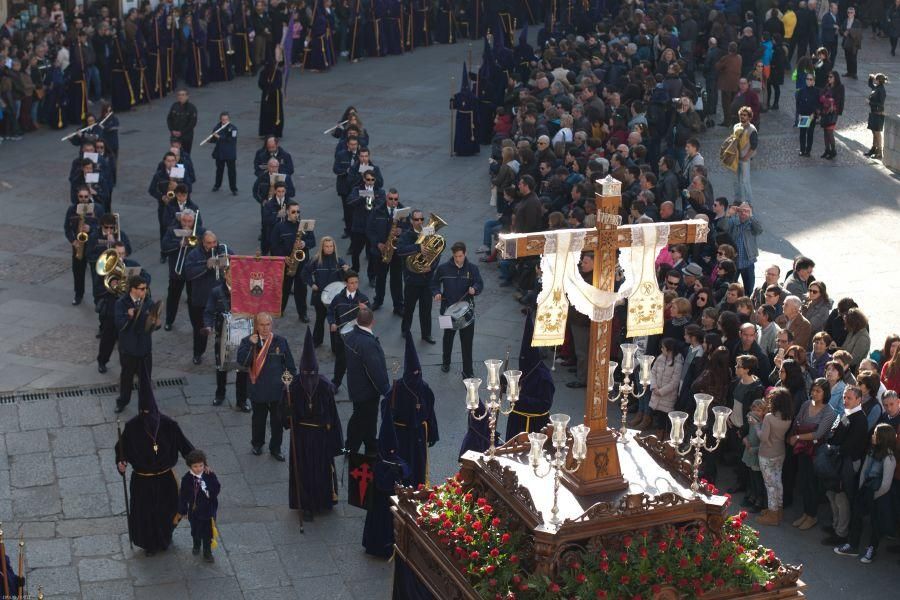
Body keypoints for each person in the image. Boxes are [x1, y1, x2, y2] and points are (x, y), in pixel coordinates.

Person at [115, 366, 195, 556]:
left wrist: (196, 461)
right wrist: (121, 461)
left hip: (165, 478)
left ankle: (165, 538)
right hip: (142, 480)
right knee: (145, 515)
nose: (147, 415)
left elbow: (185, 446)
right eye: (144, 412)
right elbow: (121, 449)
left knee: (167, 511)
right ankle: (150, 544)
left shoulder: (168, 425)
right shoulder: (132, 426)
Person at [283, 328, 343, 520]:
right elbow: (284, 412)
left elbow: (332, 415)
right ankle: (309, 504)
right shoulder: (294, 387)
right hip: (306, 436)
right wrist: (288, 410)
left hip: (314, 436)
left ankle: (320, 501)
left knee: (315, 470)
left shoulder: (321, 386)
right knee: (309, 470)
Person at [379, 332, 439, 487]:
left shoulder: (423, 388)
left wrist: (431, 432)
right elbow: (387, 414)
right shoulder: (396, 389)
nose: (416, 376)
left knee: (418, 465)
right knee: (405, 466)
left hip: (417, 434)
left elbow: (430, 412)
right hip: (401, 436)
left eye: (418, 373)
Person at [834, 423, 897, 563]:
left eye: (876, 434)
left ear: (883, 438)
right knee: (856, 516)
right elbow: (864, 470)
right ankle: (852, 545)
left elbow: (886, 484)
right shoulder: (872, 451)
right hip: (866, 489)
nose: (873, 436)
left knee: (876, 523)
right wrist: (862, 488)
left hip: (878, 494)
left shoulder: (889, 458)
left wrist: (873, 497)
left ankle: (872, 549)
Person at [237, 312, 296, 460]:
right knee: (258, 419)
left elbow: (290, 366)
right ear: (256, 326)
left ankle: (275, 448)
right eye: (261, 325)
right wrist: (251, 344)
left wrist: (289, 383)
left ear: (272, 325)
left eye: (267, 324)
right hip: (258, 390)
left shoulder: (280, 341)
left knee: (277, 422)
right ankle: (257, 444)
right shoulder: (247, 342)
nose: (265, 328)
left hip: (277, 391)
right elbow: (243, 363)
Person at [822, 385, 871, 547]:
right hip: (837, 461)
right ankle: (836, 525)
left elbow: (850, 445)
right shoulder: (846, 413)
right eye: (844, 397)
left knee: (841, 498)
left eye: (849, 398)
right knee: (831, 493)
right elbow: (834, 435)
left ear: (859, 399)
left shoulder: (860, 419)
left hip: (847, 463)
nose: (845, 400)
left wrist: (835, 449)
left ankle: (841, 533)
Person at [789, 378, 837, 530]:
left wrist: (798, 437)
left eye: (818, 391)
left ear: (825, 393)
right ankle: (806, 513)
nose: (814, 393)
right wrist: (801, 434)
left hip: (816, 452)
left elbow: (819, 433)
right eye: (813, 390)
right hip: (802, 449)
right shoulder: (805, 404)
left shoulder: (829, 411)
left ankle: (812, 516)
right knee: (803, 482)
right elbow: (798, 422)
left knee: (812, 484)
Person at [344, 307, 391, 455]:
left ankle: (366, 446)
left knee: (362, 418)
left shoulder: (351, 336)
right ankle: (355, 449)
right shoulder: (368, 344)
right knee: (365, 420)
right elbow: (375, 371)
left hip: (355, 386)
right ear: (373, 322)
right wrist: (386, 390)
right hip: (367, 391)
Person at [432, 242, 483, 377]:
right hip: (446, 311)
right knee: (447, 338)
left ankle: (468, 371)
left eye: (460, 256)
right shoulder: (443, 269)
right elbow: (435, 282)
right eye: (455, 256)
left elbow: (479, 283)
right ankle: (446, 362)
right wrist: (436, 292)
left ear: (465, 254)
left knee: (467, 342)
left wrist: (475, 289)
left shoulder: (472, 269)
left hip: (467, 311)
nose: (458, 259)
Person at [114, 275, 161, 413]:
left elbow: (153, 322)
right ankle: (122, 401)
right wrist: (128, 316)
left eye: (146, 288)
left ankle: (145, 405)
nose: (144, 291)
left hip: (144, 348)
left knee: (145, 380)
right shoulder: (121, 303)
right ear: (133, 289)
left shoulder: (148, 302)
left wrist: (157, 324)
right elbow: (119, 325)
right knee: (126, 378)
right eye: (141, 289)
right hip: (128, 349)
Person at [505, 312, 555, 440]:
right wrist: (506, 382)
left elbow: (545, 404)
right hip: (517, 421)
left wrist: (519, 398)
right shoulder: (528, 370)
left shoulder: (544, 378)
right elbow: (521, 384)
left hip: (533, 425)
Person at [184, 232, 232, 365]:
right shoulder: (194, 255)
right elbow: (187, 274)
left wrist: (229, 261)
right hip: (201, 298)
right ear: (203, 243)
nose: (212, 246)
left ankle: (222, 355)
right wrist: (206, 266)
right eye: (209, 243)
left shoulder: (224, 250)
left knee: (223, 328)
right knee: (200, 329)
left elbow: (237, 263)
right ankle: (198, 353)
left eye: (214, 242)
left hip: (220, 298)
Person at [204, 273, 250, 410]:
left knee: (242, 368)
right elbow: (209, 311)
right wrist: (208, 325)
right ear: (226, 275)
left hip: (242, 335)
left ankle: (241, 401)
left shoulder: (245, 290)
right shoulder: (216, 292)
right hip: (223, 333)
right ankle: (220, 394)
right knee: (222, 367)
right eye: (231, 274)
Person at [397, 210, 440, 343]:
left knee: (426, 309)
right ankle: (405, 330)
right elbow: (400, 251)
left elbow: (437, 252)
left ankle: (426, 334)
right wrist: (418, 248)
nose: (420, 222)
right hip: (412, 279)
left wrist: (431, 267)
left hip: (427, 279)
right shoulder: (406, 235)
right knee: (409, 307)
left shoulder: (429, 232)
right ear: (411, 221)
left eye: (421, 219)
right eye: (416, 220)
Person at [270, 202, 316, 322]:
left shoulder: (305, 225)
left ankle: (302, 314)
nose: (297, 214)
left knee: (301, 289)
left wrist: (304, 243)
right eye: (293, 212)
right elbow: (274, 246)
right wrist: (283, 257)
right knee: (284, 288)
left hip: (302, 262)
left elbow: (313, 241)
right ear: (287, 213)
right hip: (287, 262)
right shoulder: (279, 227)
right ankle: (280, 309)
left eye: (298, 211)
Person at [755, 387, 794, 526]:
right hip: (780, 451)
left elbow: (763, 437)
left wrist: (756, 426)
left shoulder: (769, 417)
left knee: (770, 484)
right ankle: (778, 510)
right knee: (778, 481)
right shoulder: (788, 416)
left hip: (767, 453)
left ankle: (773, 514)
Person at [175, 449, 221, 563]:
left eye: (201, 465)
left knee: (208, 532)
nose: (198, 468)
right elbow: (183, 496)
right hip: (194, 511)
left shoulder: (209, 475)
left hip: (208, 511)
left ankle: (207, 551)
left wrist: (207, 490)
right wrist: (183, 510)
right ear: (190, 466)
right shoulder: (186, 479)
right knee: (195, 530)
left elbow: (216, 487)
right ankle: (196, 544)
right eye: (195, 466)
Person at [366, 188, 407, 314]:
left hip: (396, 252)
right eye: (391, 199)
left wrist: (402, 231)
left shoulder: (403, 212)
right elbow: (369, 229)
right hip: (381, 251)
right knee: (380, 278)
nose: (393, 201)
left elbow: (410, 230)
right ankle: (378, 300)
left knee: (397, 280)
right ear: (386, 198)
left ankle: (398, 306)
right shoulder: (377, 211)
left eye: (396, 199)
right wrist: (377, 243)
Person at [328, 270, 371, 389]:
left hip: (358, 335)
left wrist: (366, 309)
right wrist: (332, 323)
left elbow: (370, 316)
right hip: (342, 336)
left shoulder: (363, 298)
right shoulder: (338, 298)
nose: (354, 285)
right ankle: (336, 383)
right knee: (341, 361)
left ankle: (359, 385)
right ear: (345, 283)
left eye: (356, 282)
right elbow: (330, 312)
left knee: (358, 362)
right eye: (351, 283)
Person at [731, 106, 758, 203]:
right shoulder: (736, 126)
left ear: (749, 117)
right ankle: (737, 200)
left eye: (744, 115)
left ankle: (748, 202)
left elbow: (754, 146)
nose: (742, 117)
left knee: (745, 182)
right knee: (736, 181)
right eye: (741, 115)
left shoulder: (752, 130)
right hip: (736, 158)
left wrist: (747, 157)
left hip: (745, 160)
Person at [258, 46, 285, 138]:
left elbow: (278, 84)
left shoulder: (277, 73)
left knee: (275, 114)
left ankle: (276, 131)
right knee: (266, 114)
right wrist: (267, 86)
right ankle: (267, 131)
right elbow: (260, 84)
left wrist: (271, 86)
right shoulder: (263, 73)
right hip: (267, 95)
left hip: (275, 96)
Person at [210, 111, 238, 195]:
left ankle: (233, 188)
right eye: (223, 120)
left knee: (231, 172)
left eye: (226, 119)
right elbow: (214, 139)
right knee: (219, 170)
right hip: (220, 153)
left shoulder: (233, 128)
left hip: (230, 153)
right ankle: (217, 185)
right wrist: (210, 140)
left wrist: (219, 137)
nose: (224, 121)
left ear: (229, 119)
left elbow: (231, 140)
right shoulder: (217, 127)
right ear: (220, 120)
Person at [864, 74, 887, 159]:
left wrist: (869, 103)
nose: (874, 81)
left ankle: (879, 152)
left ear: (878, 81)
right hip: (873, 112)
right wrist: (870, 77)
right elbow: (870, 85)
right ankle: (874, 148)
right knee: (874, 132)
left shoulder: (881, 90)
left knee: (877, 133)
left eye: (875, 79)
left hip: (878, 113)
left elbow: (880, 104)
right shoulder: (877, 87)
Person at [796, 72, 819, 157]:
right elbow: (798, 103)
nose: (808, 81)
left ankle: (808, 150)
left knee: (810, 133)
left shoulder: (816, 91)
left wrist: (814, 113)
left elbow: (817, 103)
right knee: (802, 133)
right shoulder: (802, 91)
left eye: (810, 79)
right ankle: (802, 150)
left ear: (813, 81)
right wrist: (799, 114)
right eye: (807, 79)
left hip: (811, 116)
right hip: (803, 115)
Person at [840, 6, 863, 80]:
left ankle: (854, 73)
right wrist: (843, 33)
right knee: (847, 57)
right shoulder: (845, 21)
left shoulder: (857, 22)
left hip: (854, 43)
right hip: (846, 42)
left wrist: (849, 32)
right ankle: (849, 72)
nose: (850, 14)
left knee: (853, 58)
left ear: (854, 13)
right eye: (848, 12)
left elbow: (859, 32)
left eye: (851, 12)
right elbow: (841, 29)